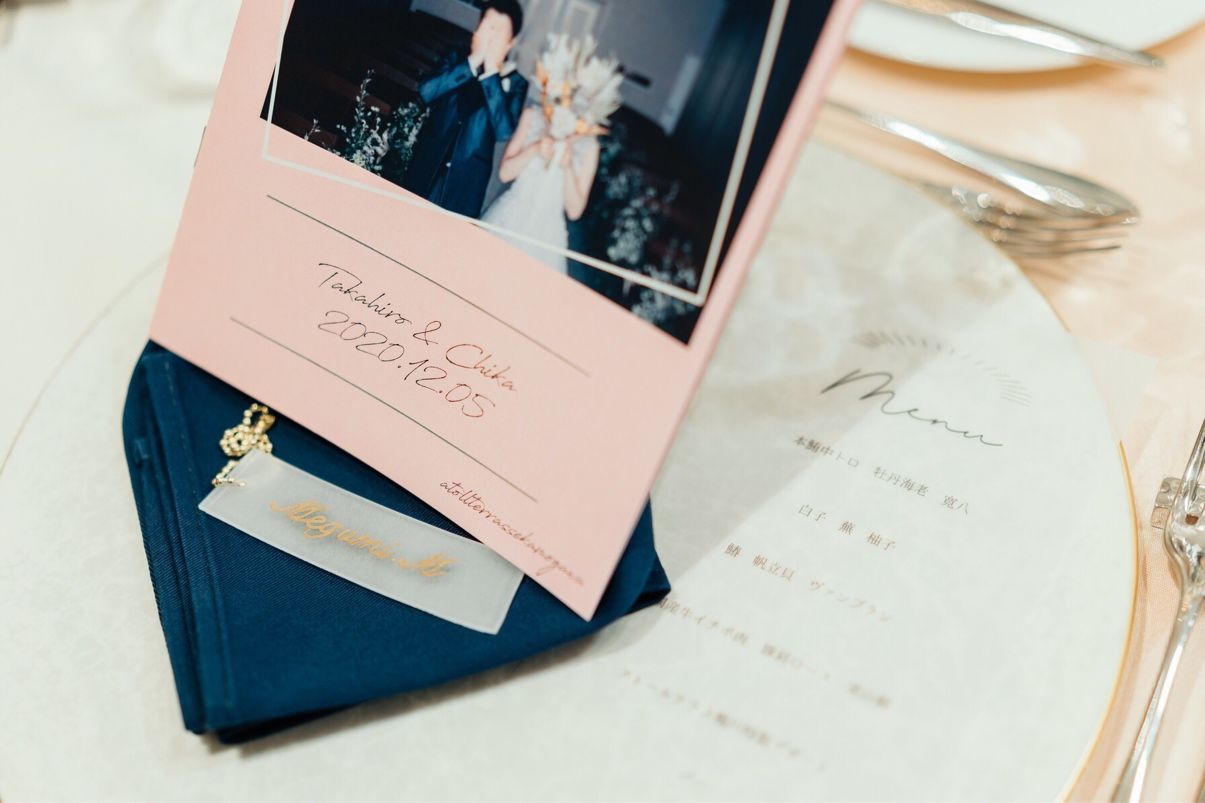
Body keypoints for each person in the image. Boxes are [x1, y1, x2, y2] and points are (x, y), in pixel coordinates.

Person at [403, 0, 528, 219]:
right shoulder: (456, 57)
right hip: (428, 164)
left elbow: (504, 131)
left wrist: (491, 73)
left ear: (510, 42)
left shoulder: (516, 83)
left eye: (499, 32)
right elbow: (426, 91)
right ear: (478, 28)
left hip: (467, 182)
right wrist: (472, 62)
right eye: (488, 27)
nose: (491, 37)